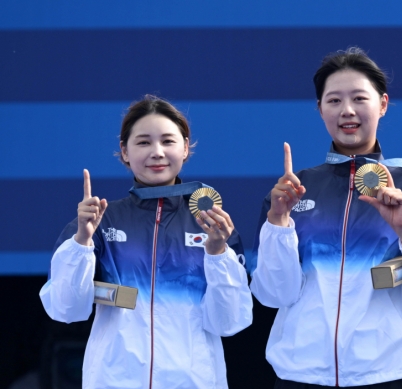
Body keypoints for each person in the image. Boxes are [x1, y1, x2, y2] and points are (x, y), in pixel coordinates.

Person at [249, 47, 402, 388]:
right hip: (301, 375)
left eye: (359, 98)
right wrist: (278, 222)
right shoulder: (291, 194)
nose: (347, 111)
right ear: (320, 109)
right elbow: (273, 295)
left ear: (382, 104)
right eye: (334, 101)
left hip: (390, 375)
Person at [39, 95, 253, 388]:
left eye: (167, 141)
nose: (157, 152)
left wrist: (217, 253)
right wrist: (82, 242)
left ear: (186, 148)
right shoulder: (100, 221)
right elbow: (65, 309)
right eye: (143, 142)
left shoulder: (212, 225)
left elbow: (229, 323)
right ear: (124, 152)